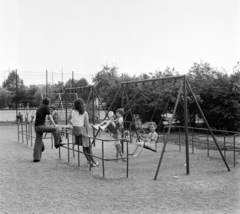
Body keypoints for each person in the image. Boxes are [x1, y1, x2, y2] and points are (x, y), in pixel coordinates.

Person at [68, 98, 98, 167]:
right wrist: (87, 133)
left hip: (75, 131)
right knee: (88, 146)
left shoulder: (72, 111)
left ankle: (92, 161)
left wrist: (74, 124)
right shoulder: (84, 113)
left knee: (86, 147)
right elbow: (86, 125)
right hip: (81, 130)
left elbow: (68, 120)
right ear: (81, 104)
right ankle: (90, 162)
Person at [33, 98, 64, 162]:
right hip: (40, 127)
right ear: (49, 103)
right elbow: (50, 117)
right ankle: (57, 143)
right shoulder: (45, 107)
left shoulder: (40, 108)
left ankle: (36, 158)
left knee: (38, 141)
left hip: (36, 127)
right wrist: (54, 125)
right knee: (55, 129)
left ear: (43, 102)